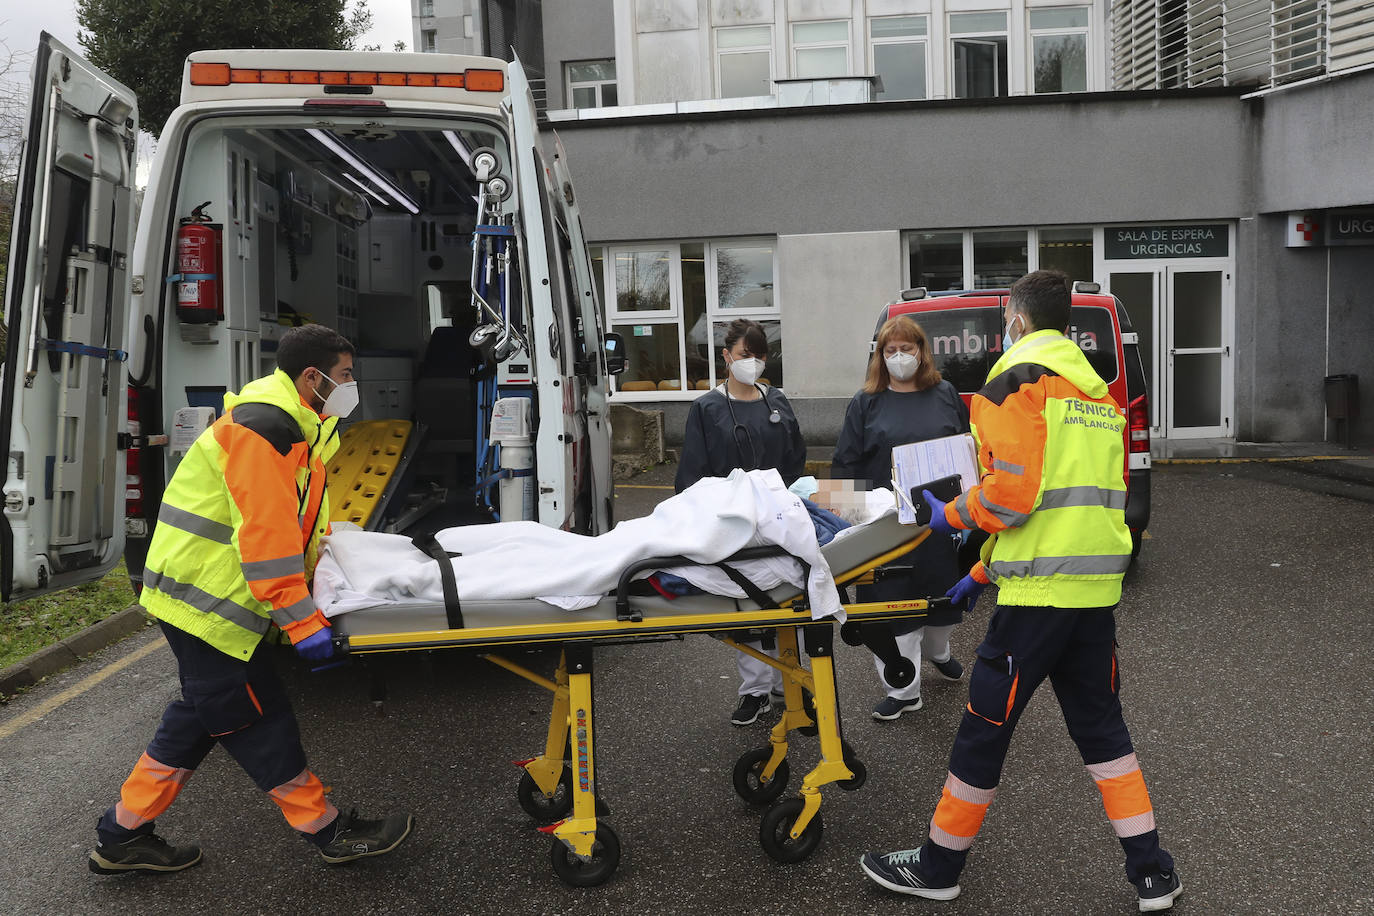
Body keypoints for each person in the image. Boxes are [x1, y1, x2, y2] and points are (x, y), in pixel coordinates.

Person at [859, 271, 1181, 912]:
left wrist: (946, 515)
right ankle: (1153, 874)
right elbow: (1066, 508)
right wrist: (979, 575)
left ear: (1016, 318)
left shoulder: (1015, 382)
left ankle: (938, 864)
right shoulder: (1095, 394)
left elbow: (1011, 497)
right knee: (1104, 735)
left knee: (983, 730)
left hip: (1036, 604)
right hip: (1090, 599)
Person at [89, 325, 414, 875]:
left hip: (204, 595)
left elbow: (298, 524)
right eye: (345, 375)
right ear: (311, 377)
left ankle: (122, 835)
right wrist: (301, 621)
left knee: (201, 714)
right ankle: (327, 830)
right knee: (254, 715)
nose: (351, 386)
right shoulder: (266, 430)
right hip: (208, 601)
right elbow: (266, 543)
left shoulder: (300, 426)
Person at [831, 316, 970, 721]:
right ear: (879, 356)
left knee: (942, 602)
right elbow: (845, 466)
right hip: (887, 528)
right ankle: (903, 688)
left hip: (940, 522)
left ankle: (939, 652)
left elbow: (967, 451)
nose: (898, 357)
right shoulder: (865, 402)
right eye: (889, 350)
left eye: (906, 349)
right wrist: (852, 521)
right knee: (893, 609)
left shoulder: (945, 394)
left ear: (921, 352)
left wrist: (968, 512)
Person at [675, 318, 806, 726]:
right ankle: (755, 692)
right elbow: (692, 474)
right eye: (745, 355)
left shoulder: (776, 401)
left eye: (759, 355)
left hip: (778, 518)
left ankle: (794, 687)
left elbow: (794, 458)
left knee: (789, 601)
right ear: (726, 356)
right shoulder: (707, 408)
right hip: (732, 522)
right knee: (748, 606)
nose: (753, 363)